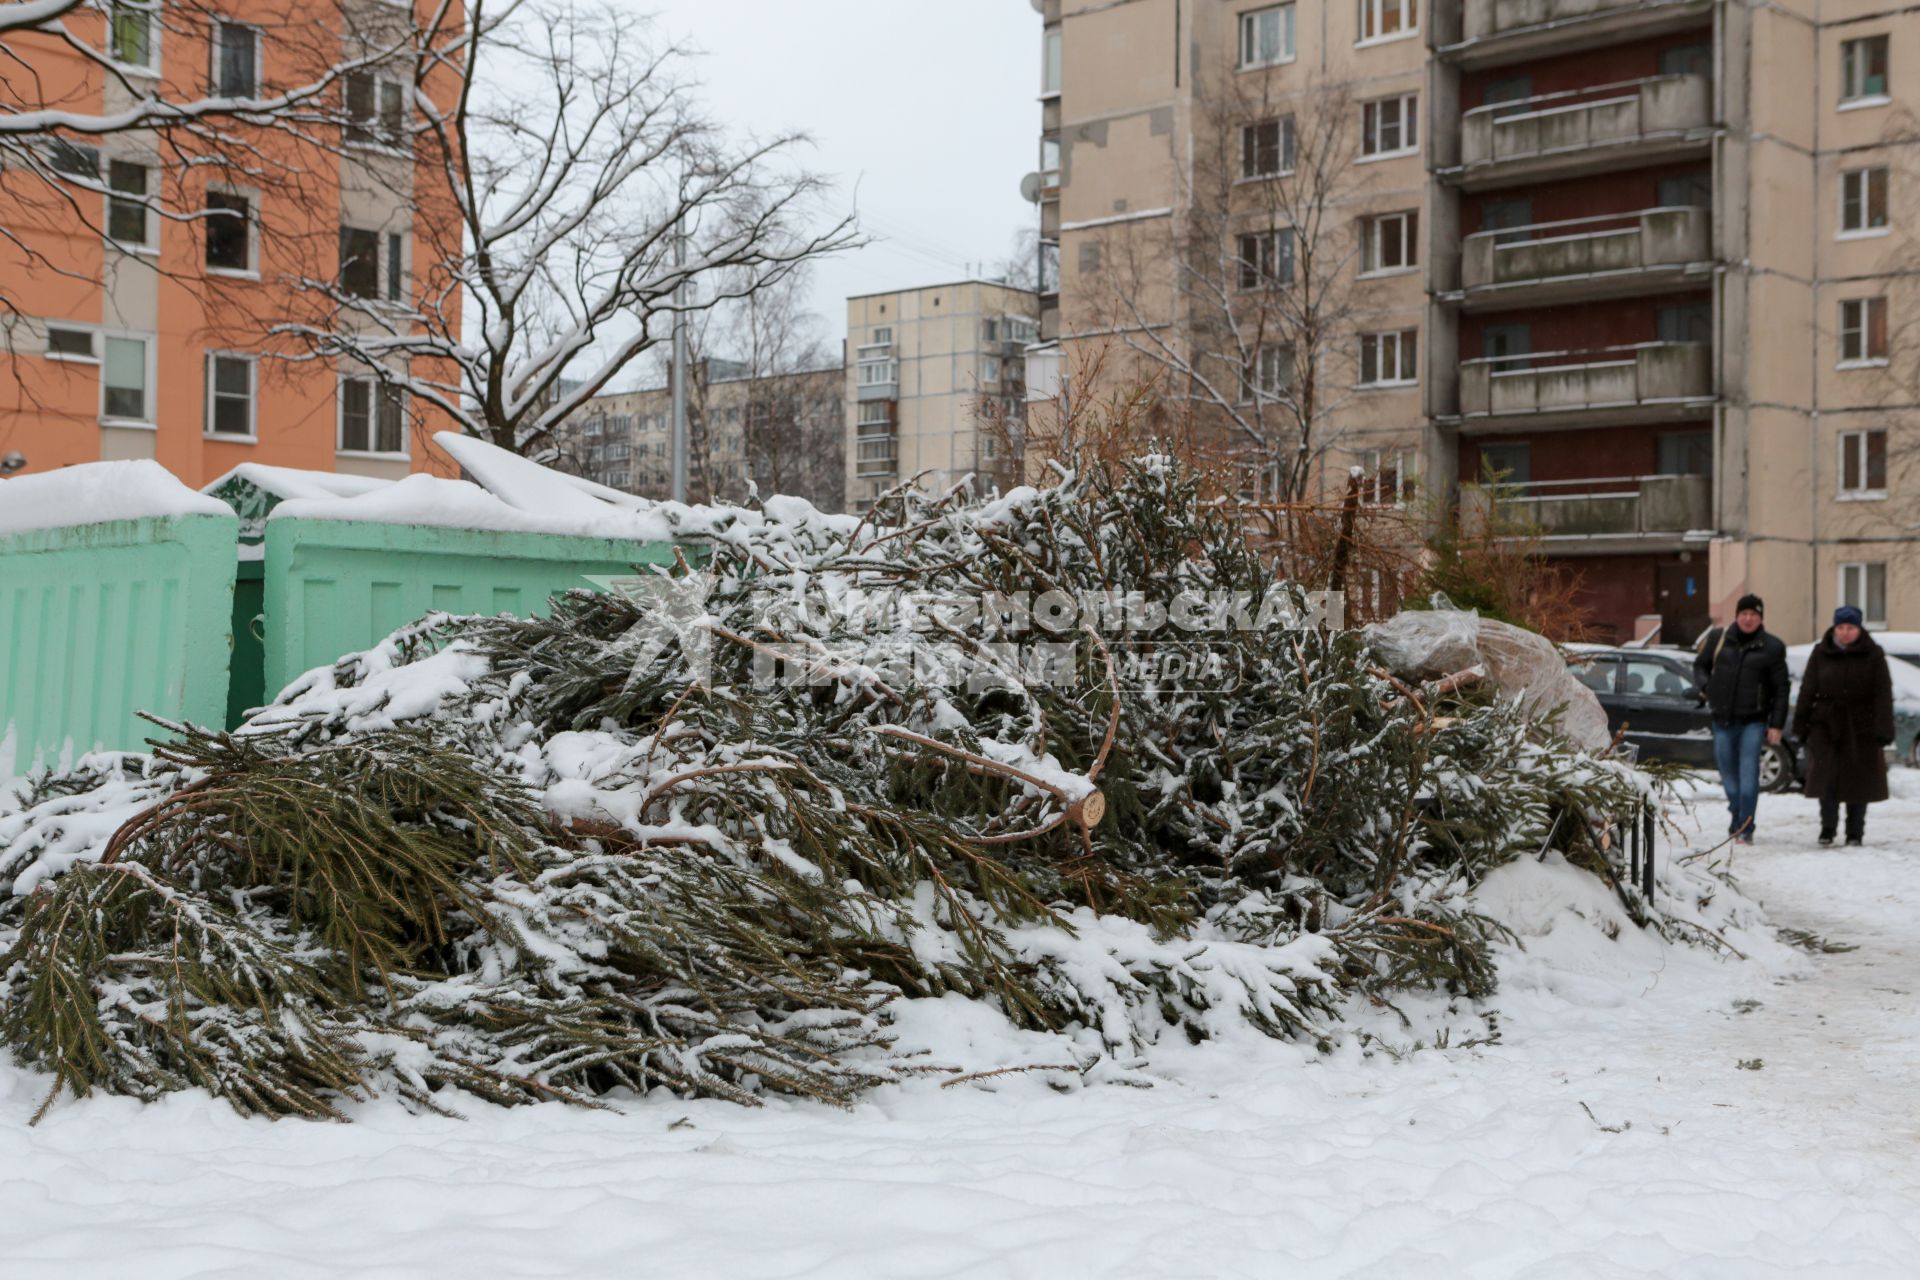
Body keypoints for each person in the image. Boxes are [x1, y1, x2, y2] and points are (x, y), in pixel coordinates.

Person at [1791, 605, 1896, 846]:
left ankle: (1855, 832)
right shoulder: (1821, 652)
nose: (1845, 633)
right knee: (1826, 776)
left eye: (1850, 627)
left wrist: (1883, 728)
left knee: (1858, 778)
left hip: (1861, 724)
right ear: (1834, 628)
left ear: (1859, 629)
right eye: (1840, 627)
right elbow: (1808, 689)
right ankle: (1828, 828)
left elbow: (1882, 693)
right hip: (1826, 723)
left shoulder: (1873, 654)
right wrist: (1800, 725)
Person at [1693, 593, 1791, 844]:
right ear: (1737, 616)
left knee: (1748, 778)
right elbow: (1700, 666)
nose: (1748, 619)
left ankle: (1745, 827)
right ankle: (1737, 813)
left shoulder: (1772, 647)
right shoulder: (1718, 639)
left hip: (1753, 722)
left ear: (1761, 618)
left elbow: (1781, 688)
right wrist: (1707, 688)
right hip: (1722, 720)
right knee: (1728, 777)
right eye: (1744, 614)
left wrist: (1776, 724)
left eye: (1754, 615)